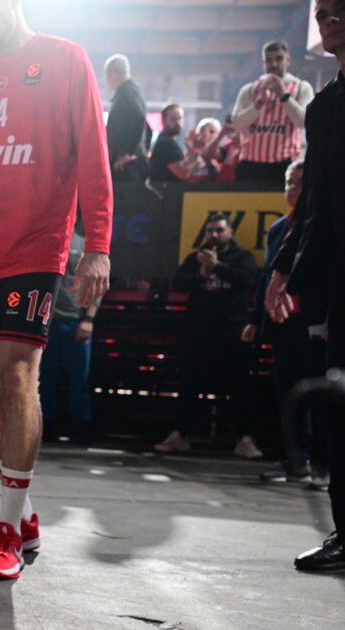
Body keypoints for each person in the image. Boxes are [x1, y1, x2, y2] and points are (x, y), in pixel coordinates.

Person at [0, 0, 113, 580]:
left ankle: (6, 526)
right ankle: (23, 514)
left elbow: (94, 155)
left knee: (16, 374)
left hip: (35, 245)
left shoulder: (66, 60)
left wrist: (99, 245)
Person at [266, 0, 345, 573]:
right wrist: (283, 268)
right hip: (341, 279)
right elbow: (314, 201)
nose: (328, 19)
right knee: (341, 402)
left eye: (340, 10)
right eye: (323, 13)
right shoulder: (323, 108)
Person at [247, 162, 329, 486]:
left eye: (299, 182)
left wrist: (327, 319)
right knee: (288, 393)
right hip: (283, 322)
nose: (293, 187)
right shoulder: (277, 229)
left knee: (319, 394)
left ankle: (325, 464)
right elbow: (268, 276)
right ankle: (296, 461)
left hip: (315, 321)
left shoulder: (322, 226)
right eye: (289, 181)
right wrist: (255, 319)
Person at [156, 214, 258, 456]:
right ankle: (180, 435)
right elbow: (179, 284)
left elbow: (248, 280)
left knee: (238, 388)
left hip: (231, 333)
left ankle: (244, 439)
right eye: (210, 230)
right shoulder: (196, 258)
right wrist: (202, 274)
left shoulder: (242, 257)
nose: (214, 235)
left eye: (219, 230)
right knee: (189, 386)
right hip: (198, 333)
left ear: (230, 232)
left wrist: (218, 267)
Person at [38, 227, 100, 441]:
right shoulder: (44, 241)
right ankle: (44, 425)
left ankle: (81, 426)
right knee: (45, 378)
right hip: (48, 322)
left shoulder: (83, 243)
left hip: (76, 321)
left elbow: (95, 284)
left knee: (79, 379)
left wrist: (88, 319)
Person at [231, 40, 315, 183]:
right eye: (269, 60)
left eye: (278, 59)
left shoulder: (301, 87)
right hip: (250, 165)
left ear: (288, 60)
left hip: (284, 165)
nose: (274, 64)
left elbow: (304, 122)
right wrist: (259, 102)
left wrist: (284, 97)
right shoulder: (249, 90)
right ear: (263, 63)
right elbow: (237, 124)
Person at [104, 54, 150, 183]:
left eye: (107, 74)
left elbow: (139, 118)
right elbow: (147, 127)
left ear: (113, 73)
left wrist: (128, 153)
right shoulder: (133, 92)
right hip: (132, 162)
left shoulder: (126, 93)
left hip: (126, 166)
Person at [149, 103, 187, 183]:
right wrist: (196, 153)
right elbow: (183, 173)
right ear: (163, 120)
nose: (178, 123)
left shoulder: (166, 141)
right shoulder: (166, 144)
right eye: (173, 119)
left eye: (180, 118)